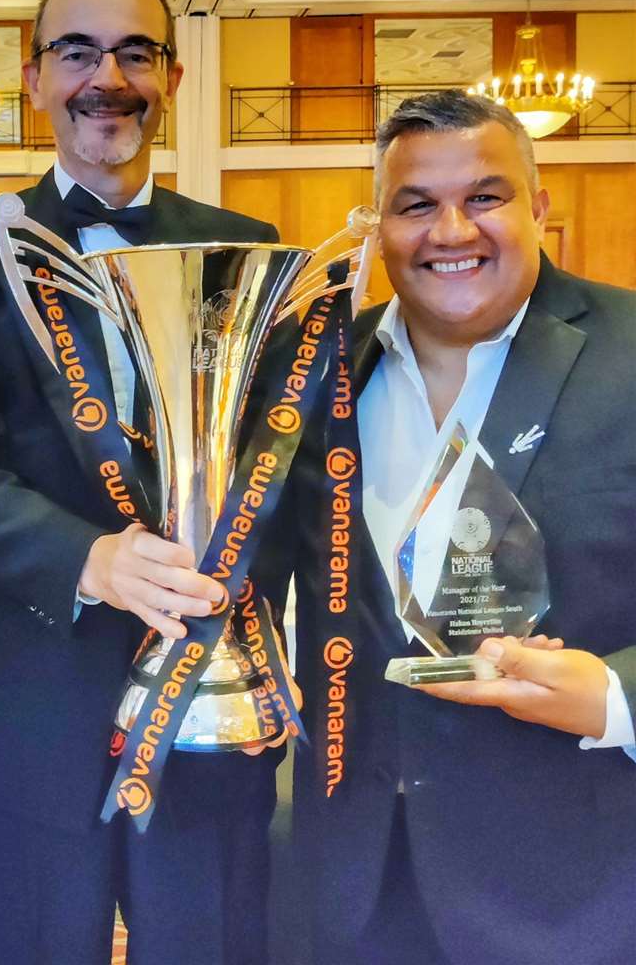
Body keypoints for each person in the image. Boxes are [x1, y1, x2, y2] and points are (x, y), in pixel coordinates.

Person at [0, 0, 284, 965]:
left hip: (211, 701)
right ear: (32, 79)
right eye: (75, 51)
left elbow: (283, 463)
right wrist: (92, 560)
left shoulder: (249, 250)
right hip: (25, 706)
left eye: (133, 52)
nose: (104, 76)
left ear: (175, 74)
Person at [264, 89, 636, 965]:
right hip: (348, 879)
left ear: (538, 207)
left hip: (576, 886)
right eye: (417, 205)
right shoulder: (312, 374)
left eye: (486, 197)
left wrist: (617, 698)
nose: (452, 232)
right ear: (380, 227)